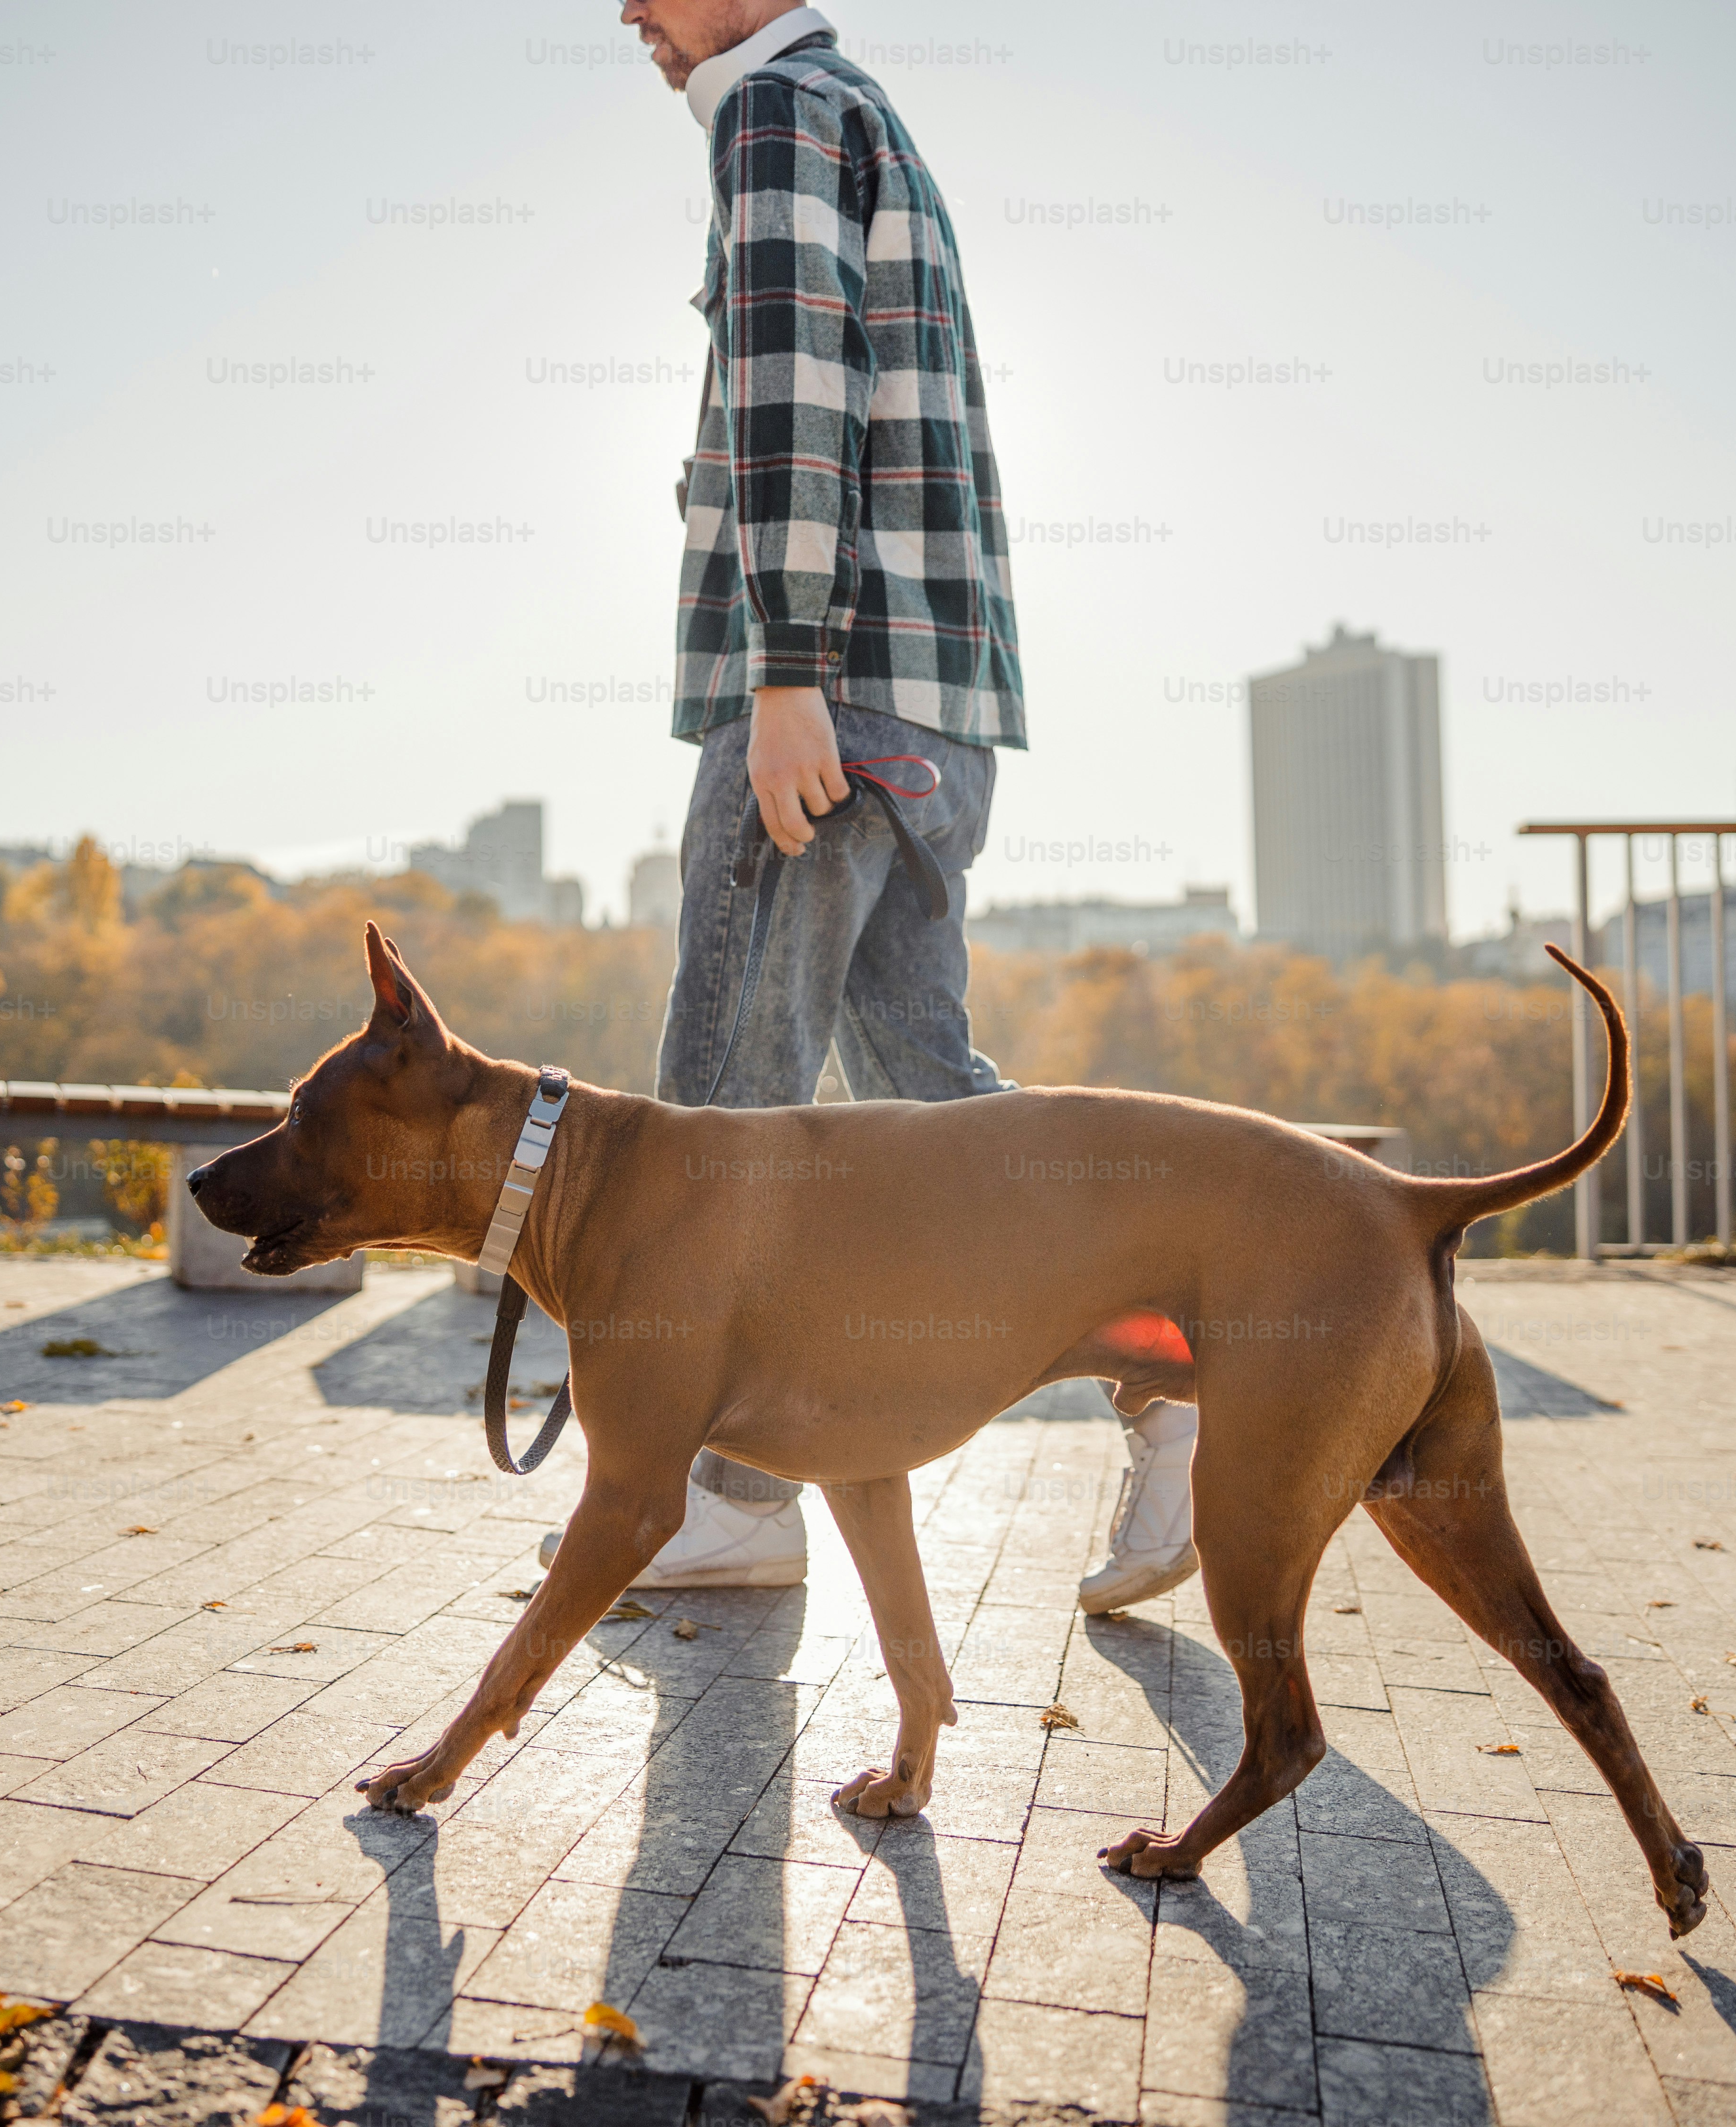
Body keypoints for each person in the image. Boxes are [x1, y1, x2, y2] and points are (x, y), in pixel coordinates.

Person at [557, 0, 1196, 1614]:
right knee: (933, 1110)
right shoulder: (871, 120)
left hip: (827, 696)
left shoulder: (773, 118)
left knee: (719, 1110)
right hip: (933, 699)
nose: (621, 12)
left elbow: (792, 406)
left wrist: (778, 670)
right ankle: (1183, 1377)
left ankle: (720, 1498)